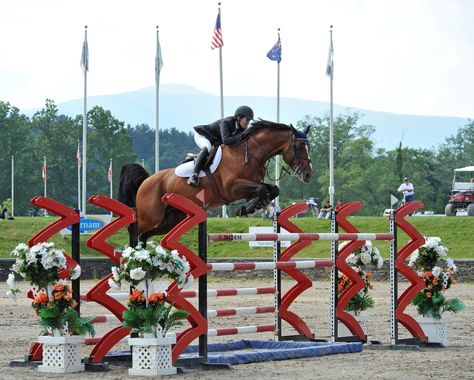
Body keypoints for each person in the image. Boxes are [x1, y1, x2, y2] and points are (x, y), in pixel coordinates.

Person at [187, 105, 254, 187]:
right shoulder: (226, 122)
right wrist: (242, 136)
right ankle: (194, 175)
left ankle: (197, 157)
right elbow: (226, 140)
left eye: (249, 120)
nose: (248, 122)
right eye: (247, 119)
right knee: (207, 147)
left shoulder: (241, 129)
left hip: (215, 141)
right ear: (239, 117)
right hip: (202, 136)